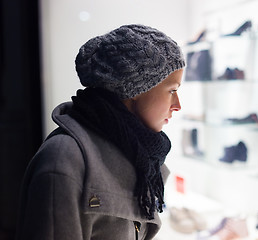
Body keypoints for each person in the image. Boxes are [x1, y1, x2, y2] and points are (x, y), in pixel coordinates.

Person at [16, 24, 186, 240]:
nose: (178, 105)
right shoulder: (64, 159)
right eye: (172, 91)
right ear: (135, 88)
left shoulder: (138, 156)